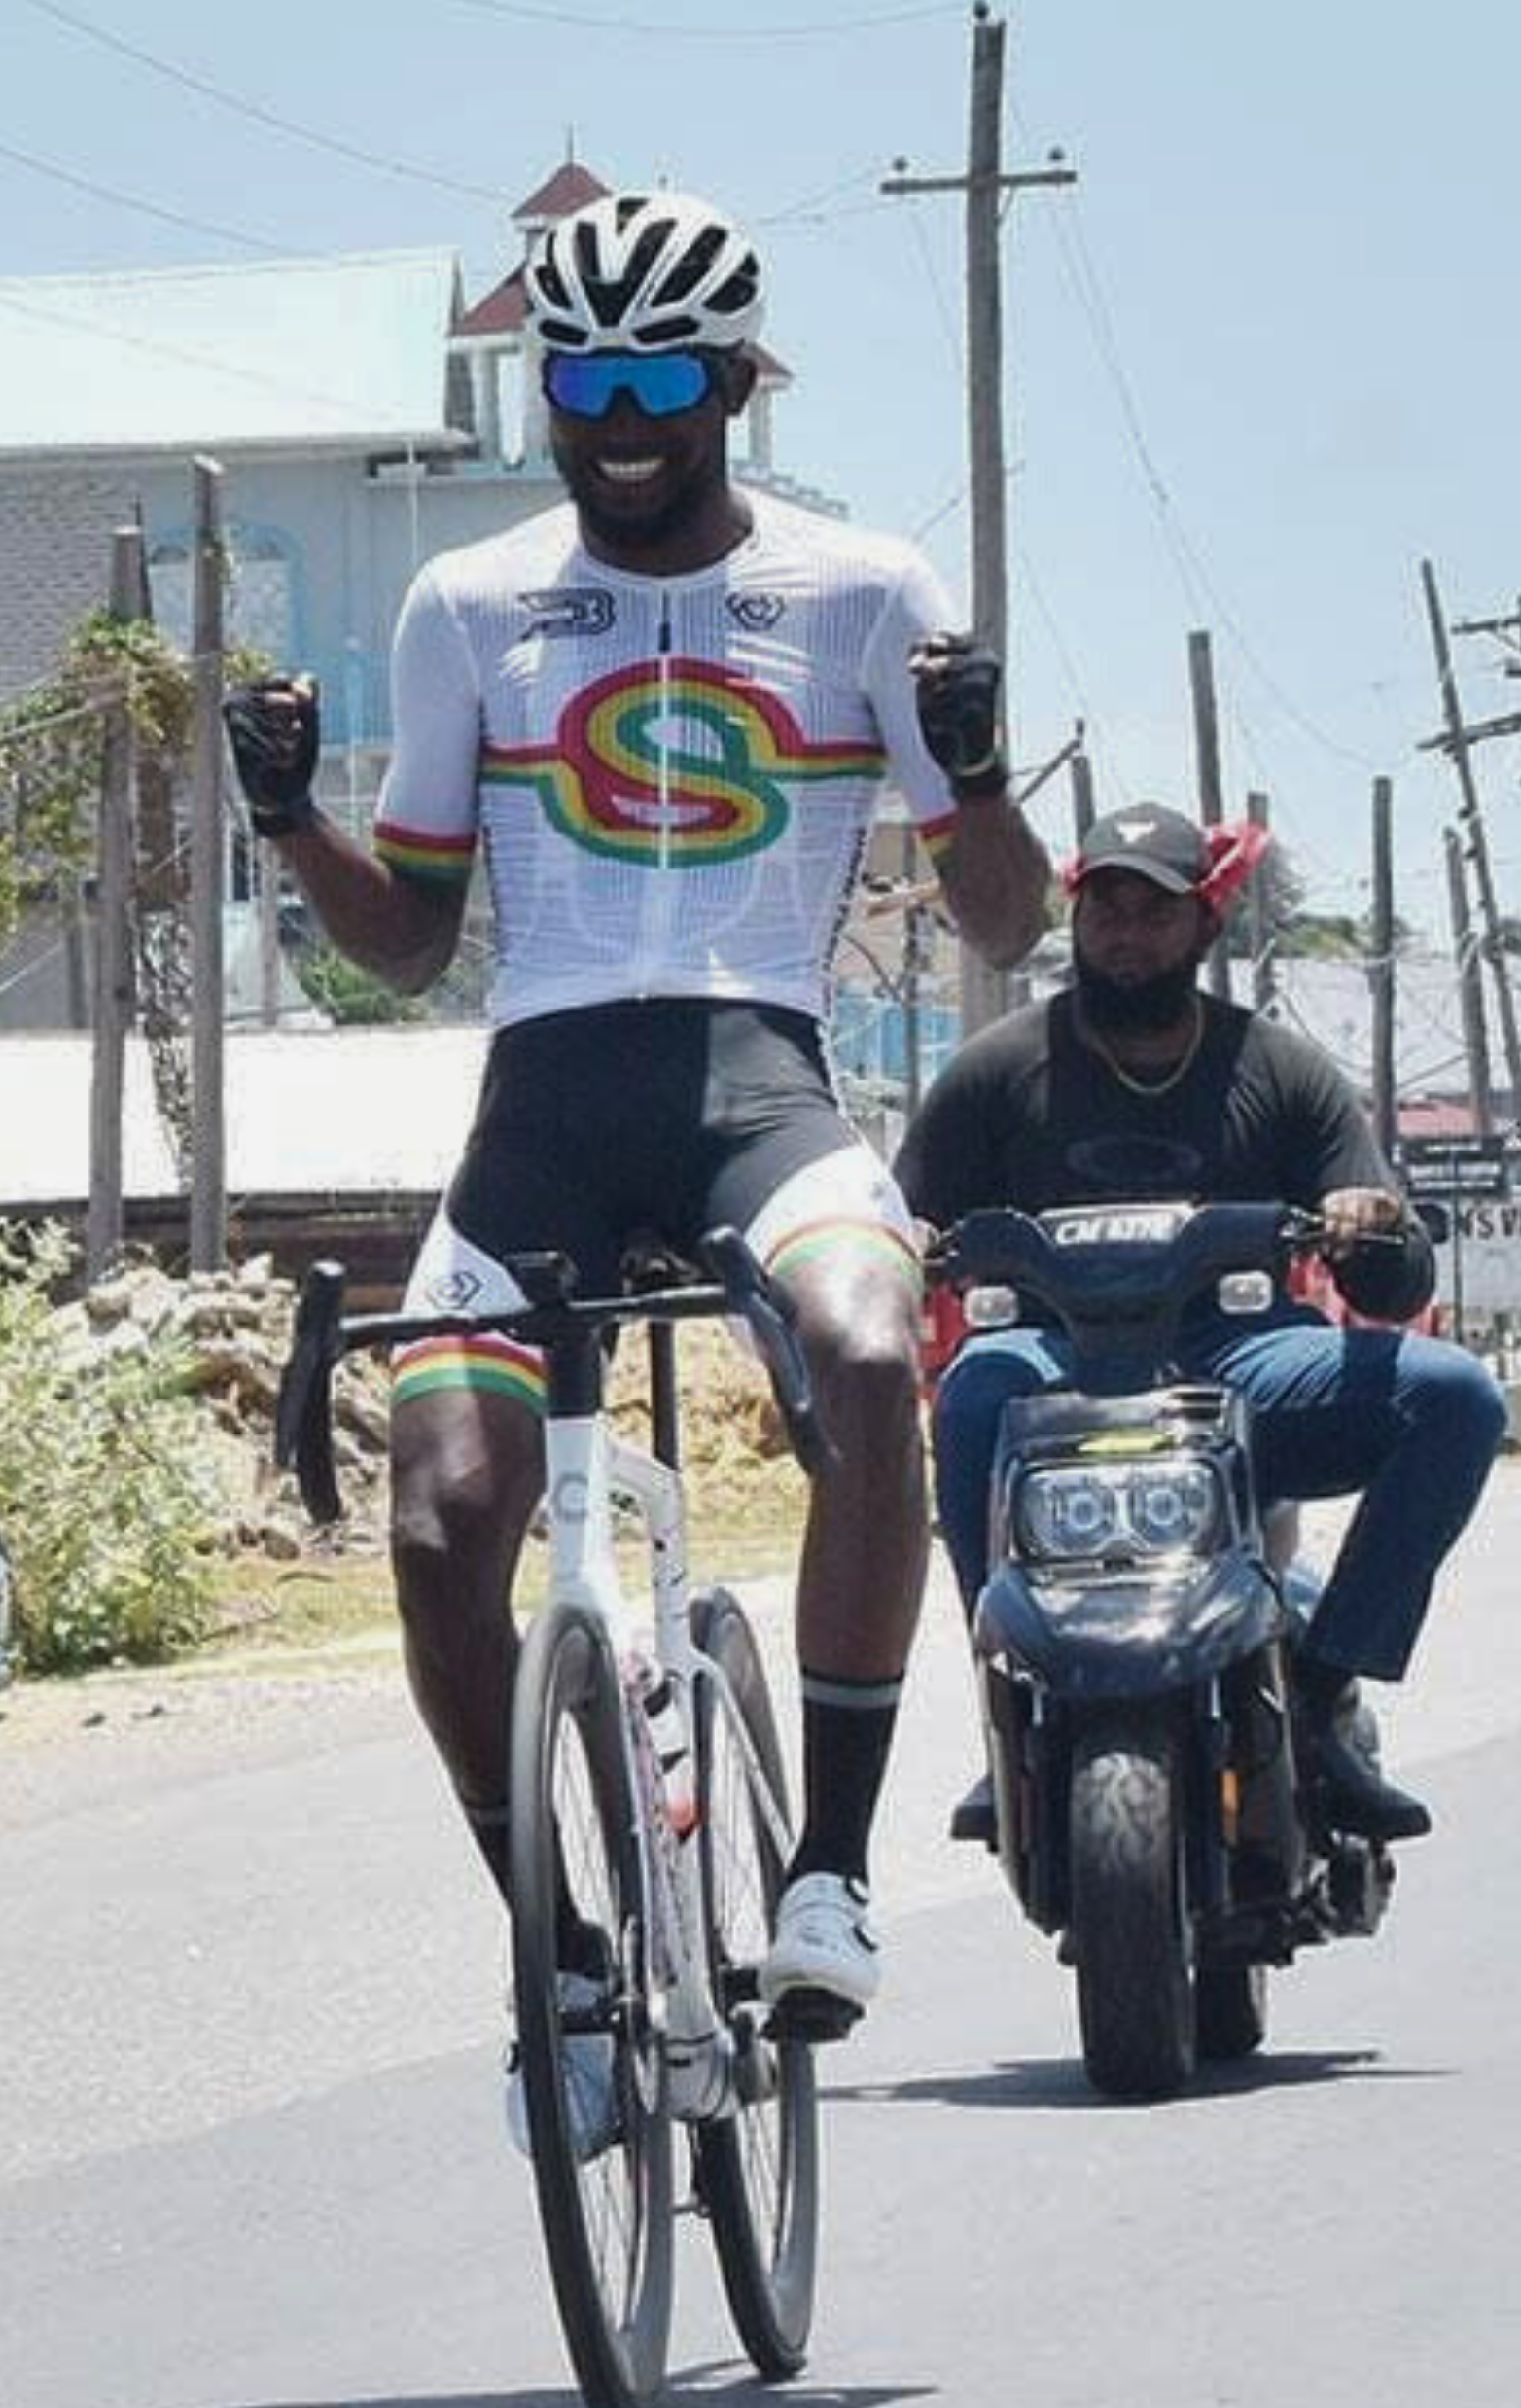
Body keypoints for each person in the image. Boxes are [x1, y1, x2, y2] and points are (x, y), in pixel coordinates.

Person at [229, 188, 1053, 2106]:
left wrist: (982, 770)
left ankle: (831, 1871)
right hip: (541, 1111)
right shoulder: (470, 604)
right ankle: (568, 1964)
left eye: (660, 374)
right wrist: (291, 823)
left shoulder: (864, 590)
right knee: (437, 1525)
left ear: (739, 385)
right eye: (577, 373)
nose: (615, 412)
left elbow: (1003, 911)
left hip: (761, 1086)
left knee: (865, 1355)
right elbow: (412, 939)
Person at [902, 801, 1507, 1842]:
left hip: (1245, 1361)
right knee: (970, 1397)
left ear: (1204, 929)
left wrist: (1371, 1224)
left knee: (1458, 1397)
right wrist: (901, 1243)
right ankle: (1005, 1714)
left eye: (1154, 911)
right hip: (1054, 1360)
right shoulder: (996, 1072)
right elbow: (901, 1219)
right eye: (1104, 910)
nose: (1125, 933)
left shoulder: (1281, 1071)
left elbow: (1397, 1275)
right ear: (1073, 919)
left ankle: (1324, 1692)